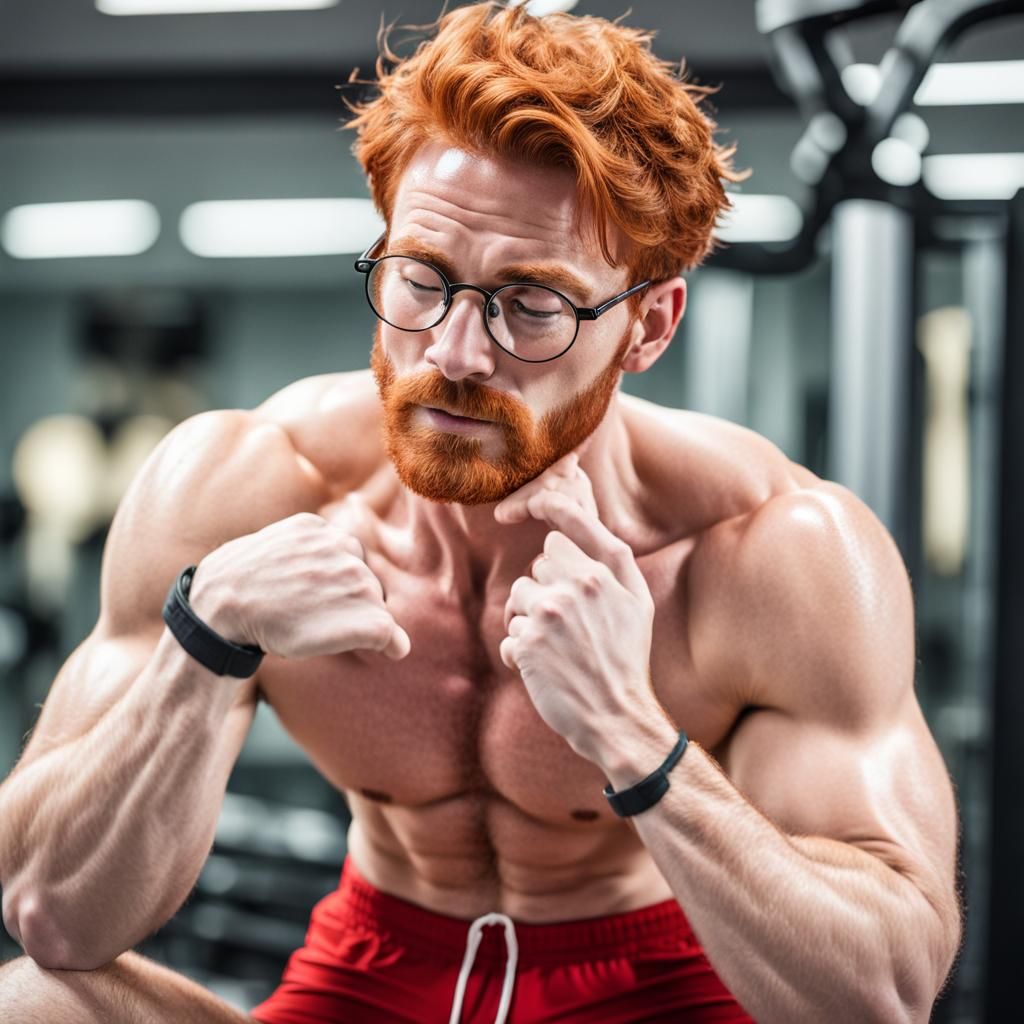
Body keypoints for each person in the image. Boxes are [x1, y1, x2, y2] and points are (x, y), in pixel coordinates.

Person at [0, 2, 962, 1022]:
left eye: (531, 304)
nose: (455, 353)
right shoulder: (246, 484)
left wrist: (632, 736)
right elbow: (54, 915)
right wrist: (202, 646)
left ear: (647, 324)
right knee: (38, 1002)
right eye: (422, 280)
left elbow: (881, 993)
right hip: (369, 980)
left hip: (659, 992)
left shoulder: (772, 550)